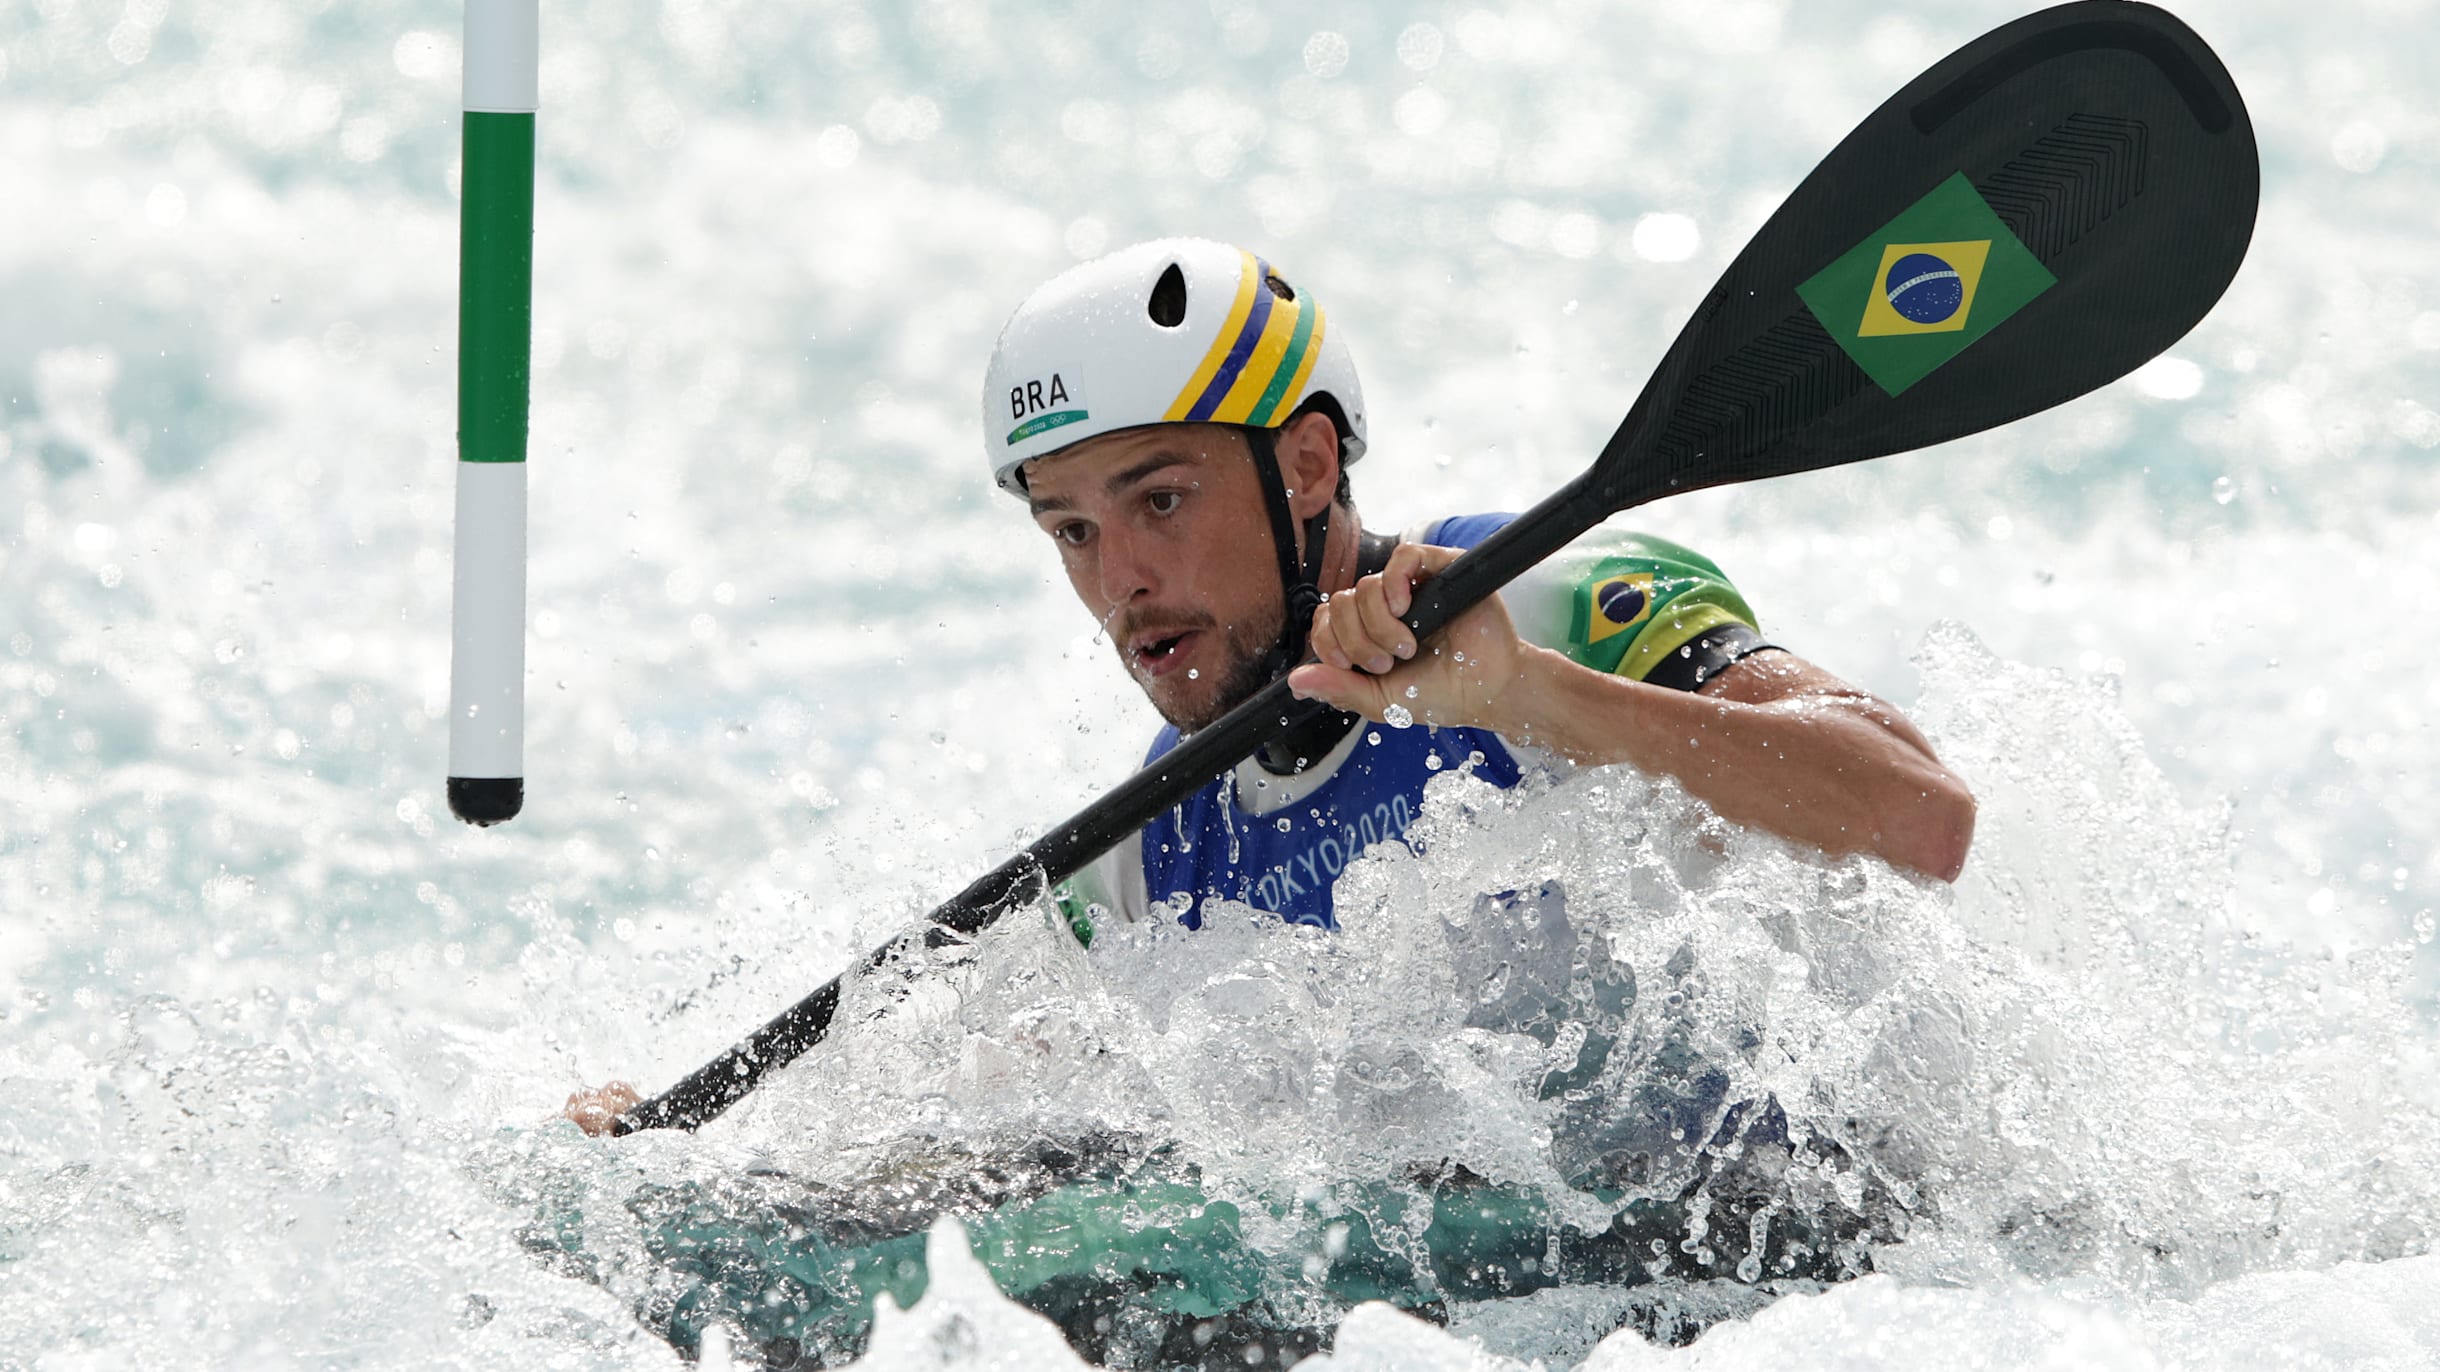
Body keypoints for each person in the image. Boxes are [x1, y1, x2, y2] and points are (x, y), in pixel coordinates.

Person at [564, 237, 1975, 1133]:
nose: (1118, 580)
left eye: (1159, 499)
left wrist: (1539, 700)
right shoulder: (1151, 852)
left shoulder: (1542, 598)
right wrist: (687, 1178)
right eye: (1070, 529)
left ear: (1303, 465)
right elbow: (982, 1132)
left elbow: (1921, 815)